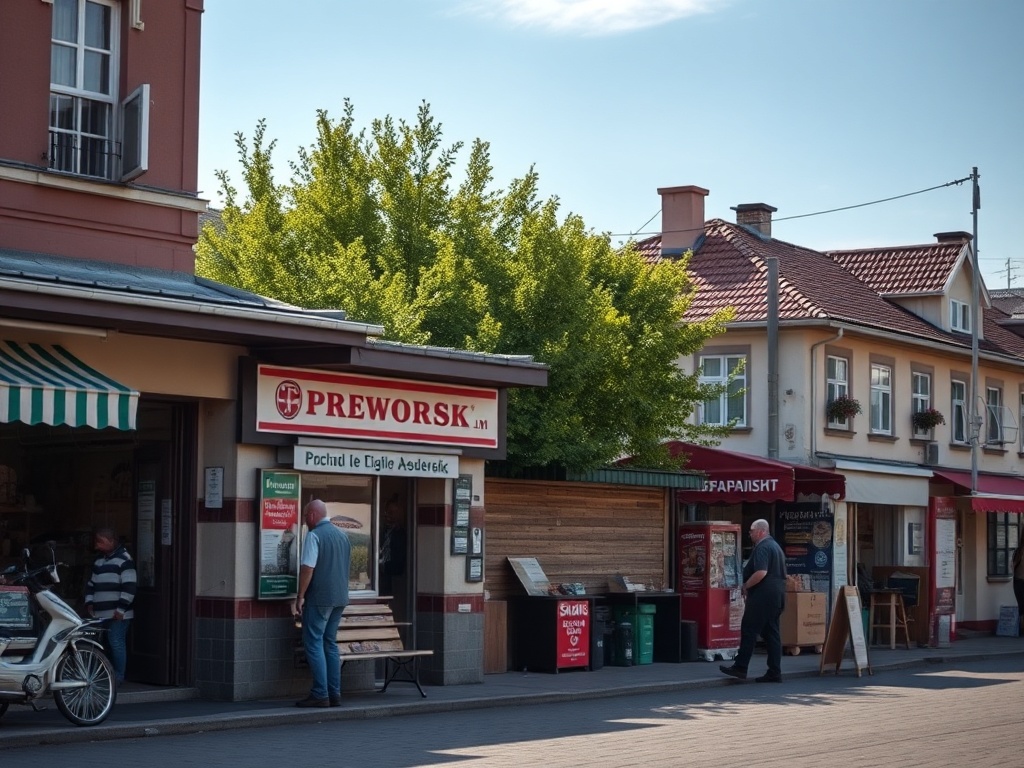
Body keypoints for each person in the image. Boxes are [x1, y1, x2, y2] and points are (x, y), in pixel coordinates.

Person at [294, 499, 351, 708]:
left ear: (311, 516)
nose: (305, 522)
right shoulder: (343, 536)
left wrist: (300, 596)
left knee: (314, 642)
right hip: (340, 598)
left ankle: (320, 693)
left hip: (320, 598)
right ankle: (334, 693)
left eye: (305, 517)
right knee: (330, 642)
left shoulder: (314, 535)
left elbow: (308, 568)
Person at [720, 518, 787, 683]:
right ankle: (774, 671)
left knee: (749, 629)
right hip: (777, 596)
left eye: (751, 531)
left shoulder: (763, 547)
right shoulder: (776, 546)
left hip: (762, 596)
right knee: (772, 633)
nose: (749, 534)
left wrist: (746, 586)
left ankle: (741, 667)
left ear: (761, 531)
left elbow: (761, 572)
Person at [84, 527, 137, 684]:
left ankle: (119, 676)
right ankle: (103, 675)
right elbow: (91, 584)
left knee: (115, 642)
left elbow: (130, 587)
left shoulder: (125, 560)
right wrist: (89, 603)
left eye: (101, 542)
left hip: (117, 613)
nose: (97, 546)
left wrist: (121, 609)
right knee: (100, 644)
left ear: (111, 541)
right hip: (100, 613)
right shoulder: (99, 561)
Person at [378, 497, 406, 597]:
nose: (388, 515)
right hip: (383, 571)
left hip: (396, 573)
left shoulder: (401, 532)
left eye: (391, 512)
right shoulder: (384, 530)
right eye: (387, 512)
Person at [1013, 527, 1024, 636]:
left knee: (1022, 606)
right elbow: (1013, 566)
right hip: (1020, 580)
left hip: (1019, 580)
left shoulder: (1019, 551)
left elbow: (1013, 566)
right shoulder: (1019, 551)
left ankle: (1021, 629)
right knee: (1022, 606)